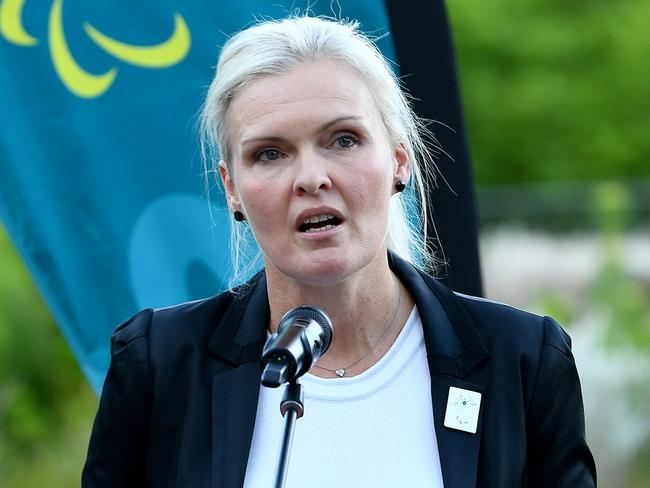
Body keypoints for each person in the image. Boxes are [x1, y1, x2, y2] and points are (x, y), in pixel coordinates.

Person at [82, 15, 597, 487]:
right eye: (269, 153)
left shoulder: (524, 359)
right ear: (232, 188)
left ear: (399, 160)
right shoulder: (159, 363)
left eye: (343, 140)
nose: (311, 178)